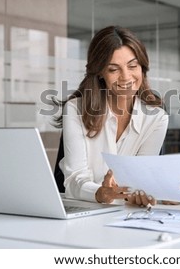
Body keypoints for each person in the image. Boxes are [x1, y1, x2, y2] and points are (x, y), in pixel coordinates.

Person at [54, 26, 168, 206]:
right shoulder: (75, 110)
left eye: (133, 66)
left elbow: (141, 181)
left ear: (142, 67)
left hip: (126, 213)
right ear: (100, 72)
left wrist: (152, 192)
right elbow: (74, 180)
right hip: (81, 210)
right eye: (114, 69)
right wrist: (100, 193)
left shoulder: (156, 118)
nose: (126, 77)